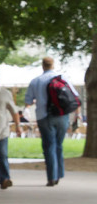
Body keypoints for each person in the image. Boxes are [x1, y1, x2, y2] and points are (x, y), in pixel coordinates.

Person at [24, 57, 70, 186]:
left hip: (44, 116)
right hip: (62, 116)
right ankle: (59, 173)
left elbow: (28, 100)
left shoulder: (36, 81)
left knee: (49, 146)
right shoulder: (62, 78)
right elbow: (74, 95)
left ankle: (52, 177)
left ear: (42, 66)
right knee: (58, 145)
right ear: (53, 65)